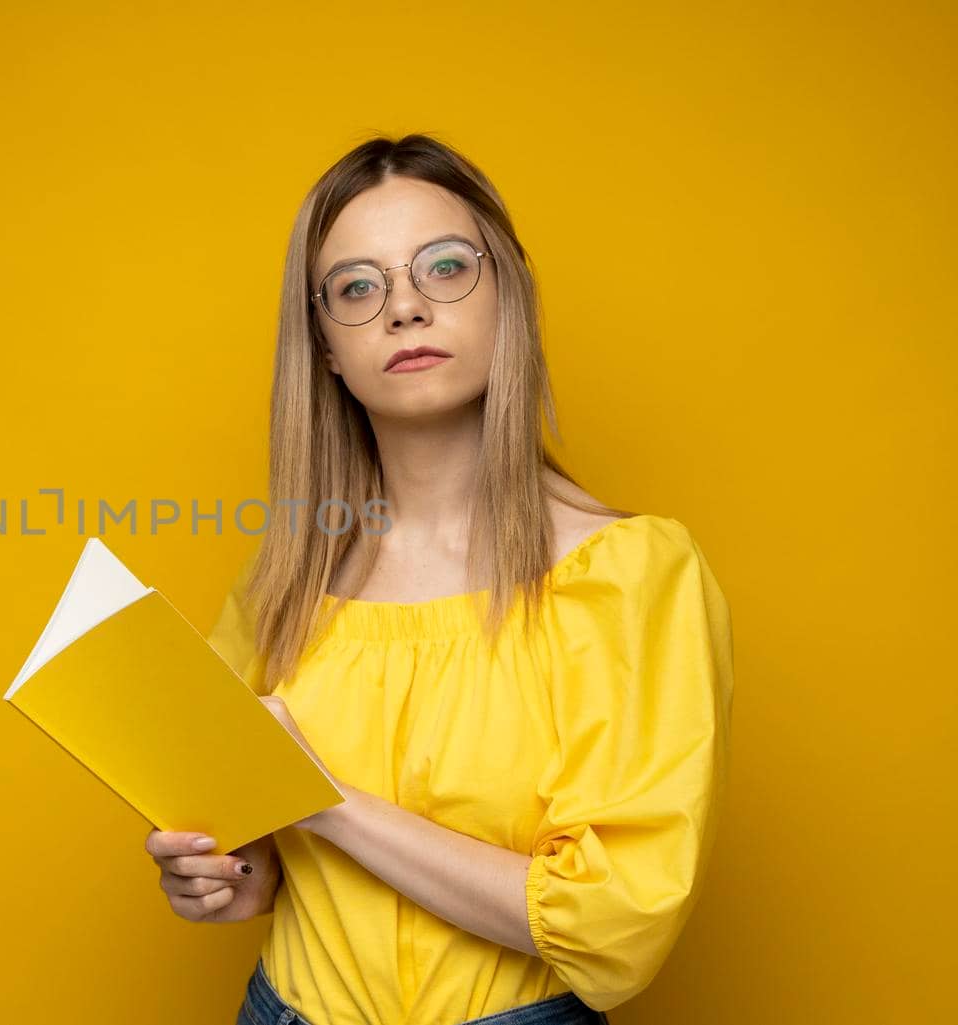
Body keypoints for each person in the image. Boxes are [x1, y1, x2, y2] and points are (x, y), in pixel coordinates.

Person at [144, 133, 734, 1025]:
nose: (405, 309)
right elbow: (259, 858)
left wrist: (327, 802)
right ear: (328, 349)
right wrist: (220, 878)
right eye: (358, 287)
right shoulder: (286, 580)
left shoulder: (630, 575)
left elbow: (614, 919)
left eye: (446, 267)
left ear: (512, 302)